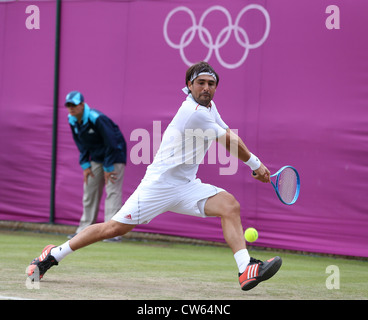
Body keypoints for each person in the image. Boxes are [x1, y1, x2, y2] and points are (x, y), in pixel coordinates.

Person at [27, 62, 281, 291]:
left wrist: (255, 164)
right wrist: (255, 164)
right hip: (158, 186)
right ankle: (52, 255)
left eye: (211, 84)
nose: (206, 88)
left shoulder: (210, 107)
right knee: (113, 228)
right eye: (201, 83)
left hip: (186, 185)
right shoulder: (193, 113)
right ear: (189, 86)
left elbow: (227, 132)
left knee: (229, 205)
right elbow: (228, 140)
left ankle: (245, 268)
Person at [65, 91, 127, 241]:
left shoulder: (97, 118)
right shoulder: (72, 120)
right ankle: (84, 231)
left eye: (74, 105)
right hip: (97, 158)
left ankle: (112, 233)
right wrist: (85, 165)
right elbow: (81, 144)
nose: (71, 108)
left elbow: (111, 143)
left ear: (82, 105)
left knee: (112, 191)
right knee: (89, 191)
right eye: (68, 105)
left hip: (115, 156)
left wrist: (108, 168)